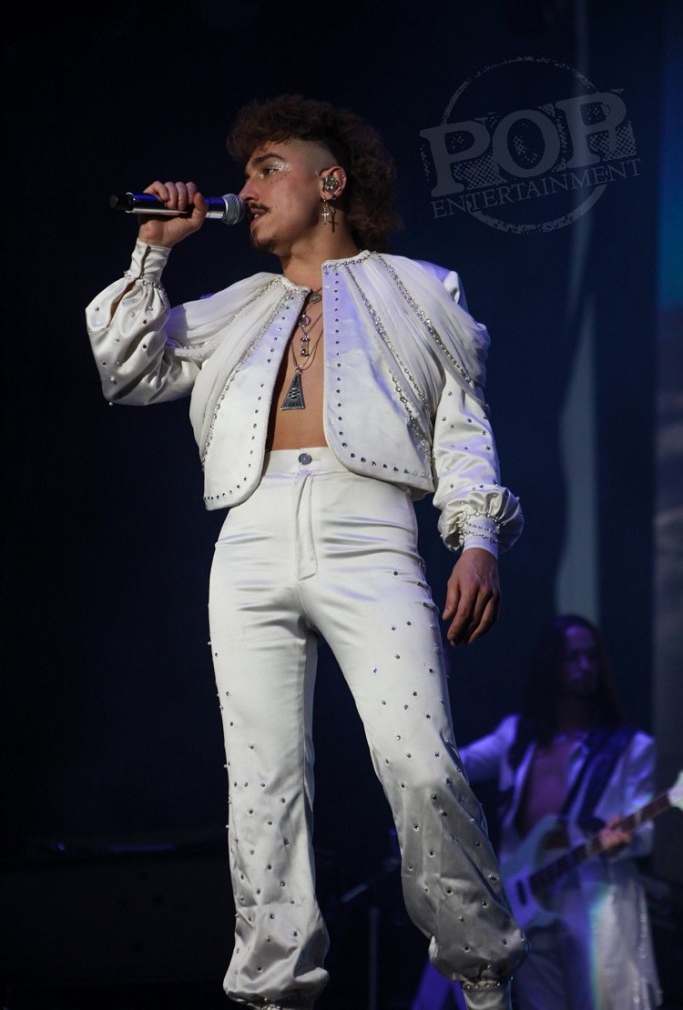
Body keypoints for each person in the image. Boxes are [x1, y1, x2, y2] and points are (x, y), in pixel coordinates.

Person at [85, 94, 528, 1010]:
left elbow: (460, 426)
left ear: (329, 183)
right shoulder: (236, 306)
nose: (245, 189)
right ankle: (272, 991)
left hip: (370, 533)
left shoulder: (421, 288)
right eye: (243, 173)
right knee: (263, 784)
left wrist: (477, 537)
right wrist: (153, 251)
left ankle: (482, 978)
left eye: (265, 168)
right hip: (248, 539)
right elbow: (125, 371)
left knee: (421, 765)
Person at [457, 613, 662, 1010]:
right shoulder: (517, 735)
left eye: (591, 656)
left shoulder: (631, 747)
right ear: (550, 664)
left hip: (594, 895)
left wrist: (625, 839)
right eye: (572, 657)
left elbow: (644, 833)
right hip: (523, 896)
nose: (584, 666)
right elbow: (452, 766)